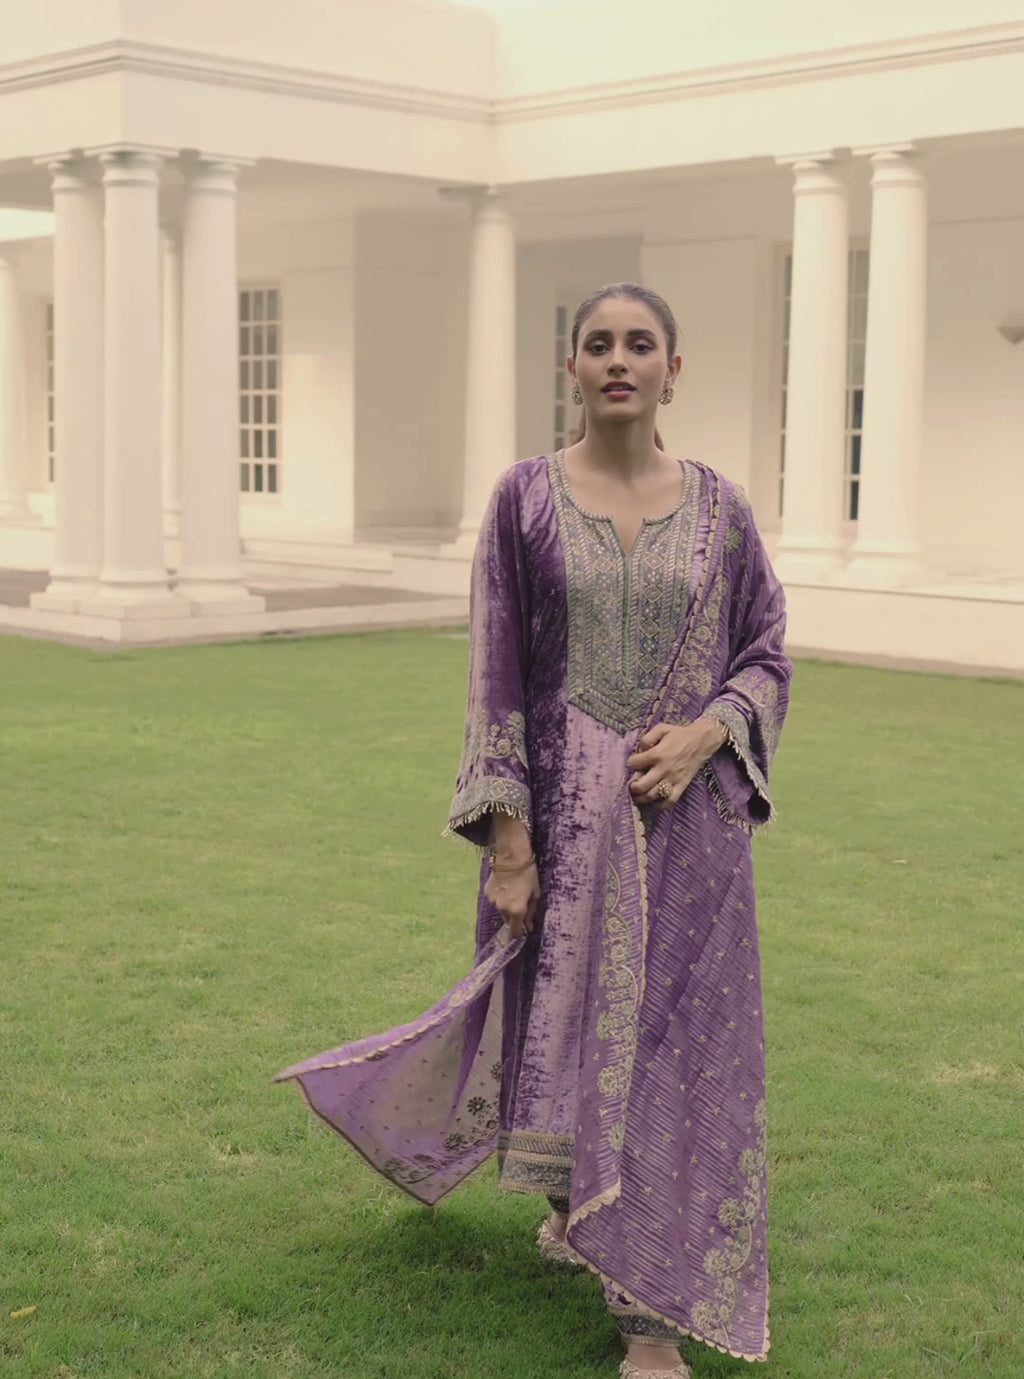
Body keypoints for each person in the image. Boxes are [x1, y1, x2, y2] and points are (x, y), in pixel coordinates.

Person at [276, 282, 791, 1378]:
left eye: (640, 344)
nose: (619, 360)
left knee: (669, 1050)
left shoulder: (724, 510)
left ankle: (649, 1317)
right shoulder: (524, 498)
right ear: (572, 368)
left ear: (672, 369)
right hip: (562, 824)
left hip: (687, 841)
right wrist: (510, 840)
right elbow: (495, 673)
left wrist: (706, 733)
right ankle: (576, 1209)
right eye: (598, 344)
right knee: (565, 1030)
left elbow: (765, 653)